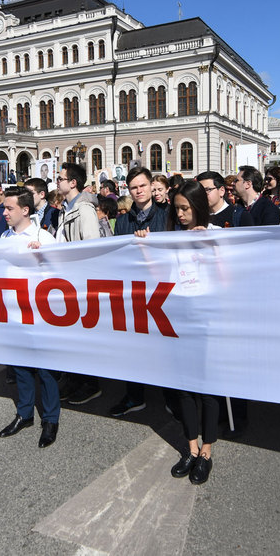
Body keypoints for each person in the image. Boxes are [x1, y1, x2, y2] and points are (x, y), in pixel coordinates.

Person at [167, 180, 222, 484]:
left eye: (185, 208)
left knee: (208, 389)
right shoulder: (172, 239)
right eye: (177, 209)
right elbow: (158, 275)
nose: (181, 214)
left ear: (199, 207)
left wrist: (209, 249)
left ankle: (207, 452)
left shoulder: (217, 236)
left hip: (208, 321)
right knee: (184, 387)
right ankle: (190, 447)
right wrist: (145, 244)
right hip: (180, 319)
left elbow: (227, 277)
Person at [0, 187, 60, 448]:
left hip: (40, 316)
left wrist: (43, 257)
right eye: (4, 208)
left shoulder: (44, 237)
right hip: (13, 313)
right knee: (21, 367)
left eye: (9, 208)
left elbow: (62, 273)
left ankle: (50, 419)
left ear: (25, 210)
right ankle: (24, 414)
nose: (4, 213)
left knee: (46, 371)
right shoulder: (4, 236)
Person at [108, 166, 168, 417]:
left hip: (162, 291)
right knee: (132, 347)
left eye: (143, 185)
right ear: (128, 191)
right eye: (134, 187)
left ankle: (172, 399)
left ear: (151, 186)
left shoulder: (167, 214)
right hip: (133, 291)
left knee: (166, 347)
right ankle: (134, 396)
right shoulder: (123, 220)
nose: (139, 191)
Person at [54, 163, 103, 405]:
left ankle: (90, 383)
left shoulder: (84, 209)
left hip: (79, 282)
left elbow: (91, 247)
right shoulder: (66, 209)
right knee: (71, 336)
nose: (57, 181)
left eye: (61, 178)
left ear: (73, 182)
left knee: (83, 336)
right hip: (66, 281)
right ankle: (74, 379)